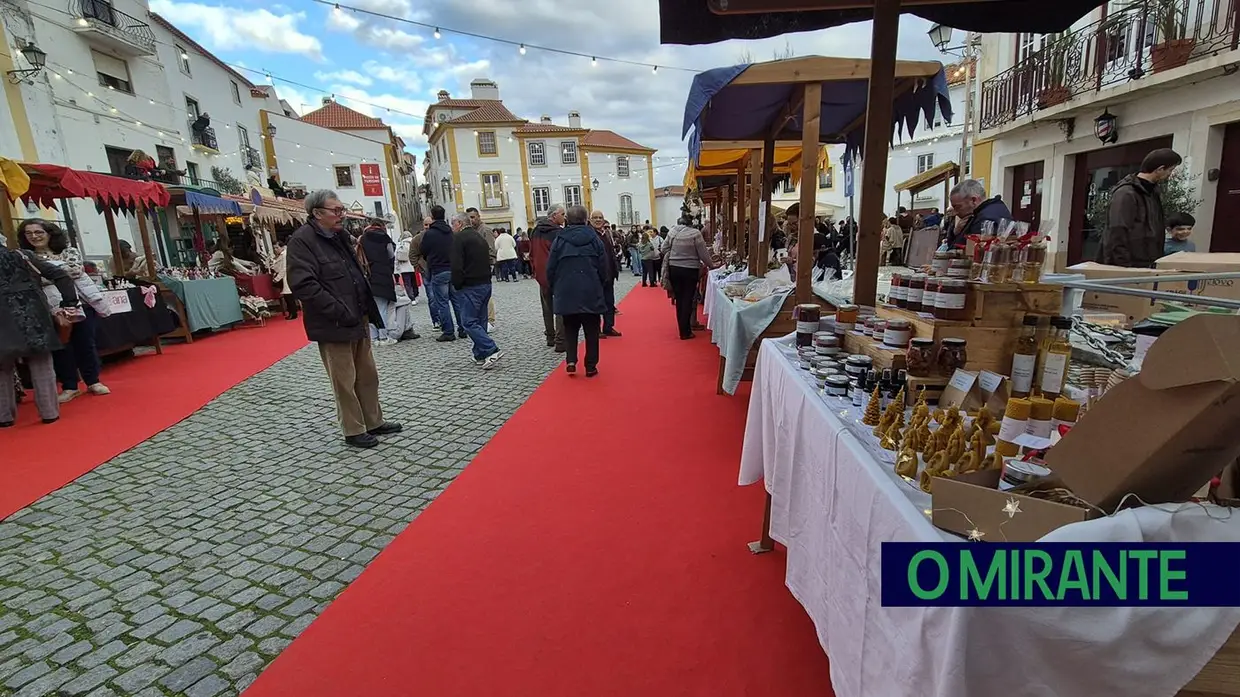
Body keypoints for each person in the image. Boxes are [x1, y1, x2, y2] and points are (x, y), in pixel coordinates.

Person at [287, 189, 400, 448]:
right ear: (317, 213)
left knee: (368, 375)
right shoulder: (302, 241)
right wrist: (338, 309)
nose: (342, 215)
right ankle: (353, 429)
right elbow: (304, 285)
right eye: (336, 211)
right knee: (344, 379)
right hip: (333, 322)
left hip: (357, 315)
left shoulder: (339, 237)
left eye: (342, 209)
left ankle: (373, 421)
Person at [19, 219, 110, 403]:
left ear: (49, 233)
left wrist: (48, 273)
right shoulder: (25, 256)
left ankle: (93, 381)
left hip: (80, 303)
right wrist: (56, 274)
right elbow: (31, 280)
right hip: (51, 307)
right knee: (62, 347)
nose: (34, 237)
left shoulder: (69, 251)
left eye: (39, 232)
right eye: (29, 233)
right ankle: (70, 386)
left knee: (85, 343)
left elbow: (75, 271)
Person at [1, 244, 82, 427]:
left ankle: (3, 416)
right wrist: (69, 302)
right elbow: (61, 275)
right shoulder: (23, 255)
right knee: (41, 363)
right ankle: (49, 413)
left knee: (1, 367)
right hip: (32, 313)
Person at [547, 206, 607, 377]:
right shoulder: (595, 239)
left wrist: (555, 287)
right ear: (585, 219)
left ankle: (571, 360)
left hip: (567, 290)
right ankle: (590, 366)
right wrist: (600, 284)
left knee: (570, 328)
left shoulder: (560, 240)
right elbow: (603, 267)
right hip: (590, 289)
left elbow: (551, 267)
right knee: (592, 331)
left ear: (568, 220)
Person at [1104, 148, 1181, 268]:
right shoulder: (1126, 193)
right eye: (1170, 170)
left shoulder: (1152, 192)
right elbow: (1117, 231)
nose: (1171, 174)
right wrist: (1124, 266)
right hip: (1129, 265)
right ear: (1160, 169)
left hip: (1147, 262)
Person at [450, 212, 504, 369]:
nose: (452, 227)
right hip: (485, 282)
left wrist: (457, 284)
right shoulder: (478, 236)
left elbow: (456, 265)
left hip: (470, 285)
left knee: (468, 321)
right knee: (480, 320)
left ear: (459, 223)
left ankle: (491, 349)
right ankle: (480, 353)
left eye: (453, 224)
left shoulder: (459, 239)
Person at [662, 215, 716, 340]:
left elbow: (664, 248)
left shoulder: (673, 231)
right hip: (690, 269)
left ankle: (682, 328)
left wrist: (675, 253)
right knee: (688, 298)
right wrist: (711, 265)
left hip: (674, 268)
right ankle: (685, 331)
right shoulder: (695, 233)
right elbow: (703, 253)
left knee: (679, 299)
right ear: (691, 223)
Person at [531, 204, 566, 351]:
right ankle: (560, 341)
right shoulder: (558, 232)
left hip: (541, 274)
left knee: (546, 308)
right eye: (562, 214)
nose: (564, 217)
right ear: (554, 216)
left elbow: (532, 252)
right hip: (557, 274)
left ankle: (550, 337)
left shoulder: (535, 231)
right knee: (560, 308)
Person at [421, 206, 459, 342]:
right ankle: (462, 328)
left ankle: (448, 331)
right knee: (456, 301)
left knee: (442, 303)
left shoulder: (430, 234)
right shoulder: (451, 232)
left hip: (438, 270)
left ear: (432, 216)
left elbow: (423, 250)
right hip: (453, 269)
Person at [360, 219, 399, 347]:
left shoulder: (363, 238)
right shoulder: (385, 238)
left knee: (371, 308)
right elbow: (391, 254)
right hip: (383, 274)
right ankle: (383, 336)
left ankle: (374, 337)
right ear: (382, 226)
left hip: (368, 275)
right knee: (381, 307)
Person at [945, 179, 1014, 250]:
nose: (956, 212)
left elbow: (962, 250)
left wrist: (955, 235)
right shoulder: (990, 210)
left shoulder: (985, 218)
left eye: (958, 207)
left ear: (973, 200)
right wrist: (955, 232)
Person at [588, 210, 622, 338]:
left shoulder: (607, 233)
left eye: (600, 217)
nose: (598, 220)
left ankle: (608, 326)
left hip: (609, 274)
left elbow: (611, 252)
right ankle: (596, 329)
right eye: (595, 218)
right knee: (597, 303)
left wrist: (615, 268)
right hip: (597, 276)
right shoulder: (590, 234)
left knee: (609, 302)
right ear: (590, 220)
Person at [271, 237, 298, 320]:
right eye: (274, 248)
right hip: (285, 277)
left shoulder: (284, 255)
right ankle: (292, 312)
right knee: (287, 296)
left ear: (282, 247)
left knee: (289, 296)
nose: (275, 250)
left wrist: (277, 278)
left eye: (277, 247)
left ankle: (293, 313)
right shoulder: (281, 255)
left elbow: (284, 268)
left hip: (287, 276)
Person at [395, 229, 419, 304]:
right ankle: (416, 295)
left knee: (407, 284)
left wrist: (396, 269)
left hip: (404, 268)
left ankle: (411, 298)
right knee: (414, 282)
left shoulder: (400, 244)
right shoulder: (414, 242)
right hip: (413, 266)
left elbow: (396, 257)